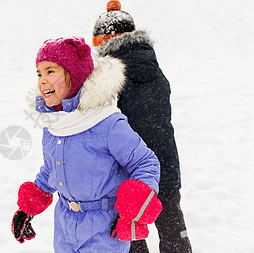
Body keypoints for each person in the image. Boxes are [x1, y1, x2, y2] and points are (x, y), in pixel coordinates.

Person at [11, 36, 163, 252]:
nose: (42, 80)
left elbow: (145, 163)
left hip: (103, 229)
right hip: (65, 226)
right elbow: (51, 169)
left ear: (74, 75)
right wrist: (28, 209)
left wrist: (131, 208)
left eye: (51, 71)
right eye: (39, 73)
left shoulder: (108, 123)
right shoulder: (55, 125)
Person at [92, 0, 193, 253]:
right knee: (173, 230)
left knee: (131, 235)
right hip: (165, 163)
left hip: (132, 168)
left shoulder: (111, 75)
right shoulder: (152, 66)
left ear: (106, 42)